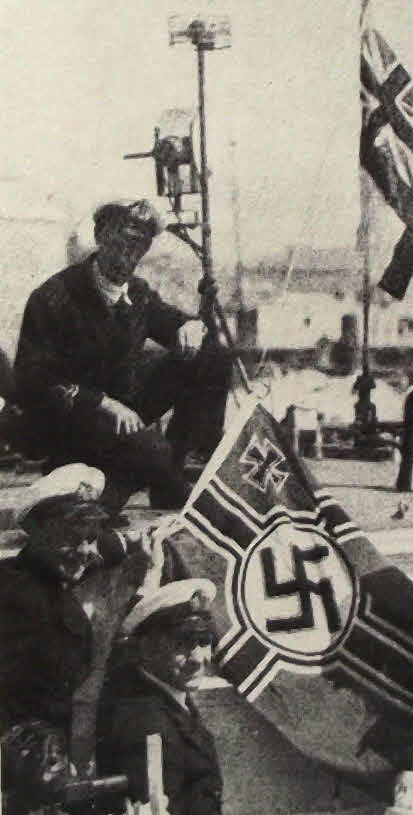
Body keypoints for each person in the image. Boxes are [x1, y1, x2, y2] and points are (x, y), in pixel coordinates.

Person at [13, 199, 232, 514]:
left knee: (212, 356)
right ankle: (150, 478)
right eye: (119, 243)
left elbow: (173, 322)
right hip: (73, 424)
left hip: (125, 414)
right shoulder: (54, 297)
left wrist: (193, 327)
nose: (127, 256)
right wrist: (103, 403)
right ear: (100, 237)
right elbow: (30, 379)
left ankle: (180, 467)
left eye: (137, 247)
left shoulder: (138, 293)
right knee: (151, 454)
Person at [0, 464, 173, 811]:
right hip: (28, 770)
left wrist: (137, 543)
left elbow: (102, 546)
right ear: (37, 531)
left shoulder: (55, 568)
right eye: (72, 537)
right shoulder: (16, 596)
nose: (85, 551)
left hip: (66, 757)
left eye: (90, 536)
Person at [97, 579, 223, 815]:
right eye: (182, 644)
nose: (198, 659)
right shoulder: (146, 723)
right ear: (146, 649)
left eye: (204, 642)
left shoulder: (171, 698)